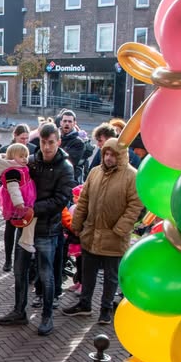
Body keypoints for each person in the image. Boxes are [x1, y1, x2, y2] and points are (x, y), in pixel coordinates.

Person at [0, 123, 74, 336]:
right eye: (43, 142)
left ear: (58, 142)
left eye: (51, 142)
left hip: (47, 229)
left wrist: (33, 209)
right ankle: (19, 311)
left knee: (46, 275)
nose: (47, 147)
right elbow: (10, 174)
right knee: (20, 271)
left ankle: (47, 317)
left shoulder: (65, 167)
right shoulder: (30, 161)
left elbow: (61, 199)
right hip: (25, 227)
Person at [64, 139, 143, 324]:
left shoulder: (132, 176)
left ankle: (105, 310)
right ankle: (85, 304)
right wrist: (77, 224)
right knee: (87, 272)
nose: (108, 158)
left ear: (121, 156)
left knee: (111, 276)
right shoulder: (95, 172)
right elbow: (83, 200)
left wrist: (120, 229)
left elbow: (135, 206)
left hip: (115, 236)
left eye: (112, 155)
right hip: (91, 233)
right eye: (106, 154)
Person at [0, 143, 38, 253]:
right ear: (12, 157)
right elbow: (13, 188)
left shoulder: (20, 167)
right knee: (25, 221)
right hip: (18, 201)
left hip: (25, 197)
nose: (25, 159)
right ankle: (25, 242)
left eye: (26, 156)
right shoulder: (12, 171)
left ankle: (24, 242)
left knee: (28, 221)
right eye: (21, 156)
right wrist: (19, 202)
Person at [57, 110, 86, 184]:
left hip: (68, 180)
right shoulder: (54, 137)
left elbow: (69, 161)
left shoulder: (79, 143)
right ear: (61, 122)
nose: (67, 123)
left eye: (70, 121)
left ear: (74, 124)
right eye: (65, 121)